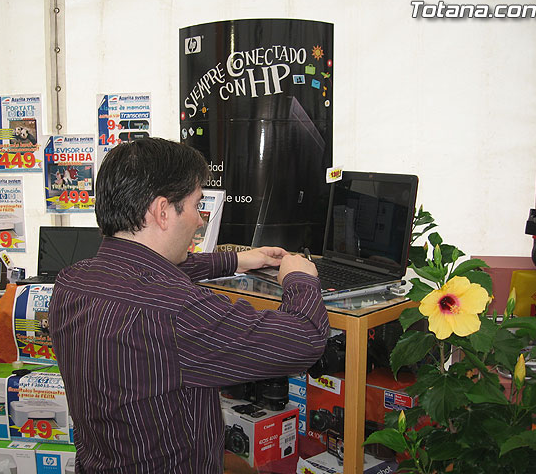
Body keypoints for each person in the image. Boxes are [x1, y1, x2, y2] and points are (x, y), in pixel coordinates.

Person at [49, 137, 329, 473]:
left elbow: (149, 270)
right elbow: (305, 339)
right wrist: (300, 278)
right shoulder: (175, 311)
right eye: (197, 205)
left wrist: (237, 260)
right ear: (163, 212)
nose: (200, 221)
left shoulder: (71, 282)